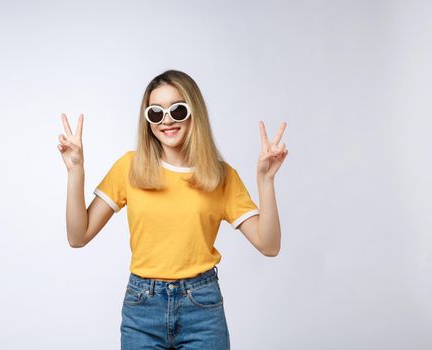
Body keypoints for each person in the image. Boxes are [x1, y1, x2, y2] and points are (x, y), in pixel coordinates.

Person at [57, 69, 288, 349]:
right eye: (155, 113)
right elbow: (77, 236)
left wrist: (266, 180)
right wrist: (75, 171)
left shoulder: (220, 176)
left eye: (177, 110)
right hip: (142, 307)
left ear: (194, 113)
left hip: (201, 307)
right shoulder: (129, 167)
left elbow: (270, 245)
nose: (166, 120)